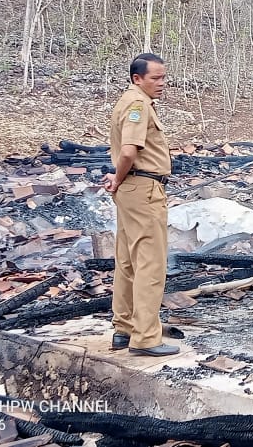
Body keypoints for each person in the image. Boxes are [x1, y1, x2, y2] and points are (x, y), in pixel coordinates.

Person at [102, 53, 178, 357]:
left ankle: (123, 329)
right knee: (150, 264)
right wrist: (118, 178)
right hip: (144, 189)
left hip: (133, 188)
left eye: (163, 77)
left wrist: (119, 179)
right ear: (137, 78)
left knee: (128, 261)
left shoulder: (130, 101)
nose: (162, 83)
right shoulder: (137, 105)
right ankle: (145, 337)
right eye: (155, 78)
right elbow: (128, 152)